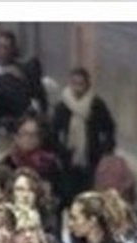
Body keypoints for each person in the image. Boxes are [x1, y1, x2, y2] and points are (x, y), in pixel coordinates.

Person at [51, 67, 115, 204]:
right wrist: (60, 150)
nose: (77, 88)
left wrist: (104, 150)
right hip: (67, 160)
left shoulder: (97, 106)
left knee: (87, 195)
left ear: (87, 85)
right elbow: (53, 132)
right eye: (74, 84)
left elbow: (109, 128)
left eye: (81, 84)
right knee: (67, 196)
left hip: (90, 160)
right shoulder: (62, 107)